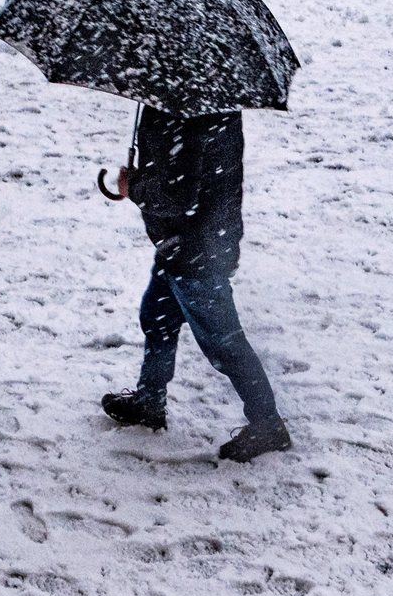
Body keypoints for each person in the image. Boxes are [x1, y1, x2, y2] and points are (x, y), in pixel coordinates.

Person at [100, 107, 292, 461]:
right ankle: (149, 401)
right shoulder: (207, 102)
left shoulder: (179, 115)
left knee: (224, 344)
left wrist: (135, 186)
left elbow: (177, 196)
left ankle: (268, 426)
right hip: (188, 243)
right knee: (157, 318)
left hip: (195, 253)